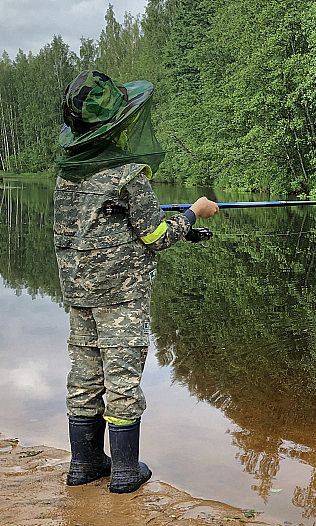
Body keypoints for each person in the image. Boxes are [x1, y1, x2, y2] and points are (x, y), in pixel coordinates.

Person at [53, 70, 218, 493]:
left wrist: (182, 227)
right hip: (121, 296)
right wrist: (194, 213)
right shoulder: (129, 175)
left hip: (78, 293)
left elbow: (104, 227)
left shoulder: (66, 176)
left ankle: (83, 465)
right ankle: (125, 472)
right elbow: (155, 237)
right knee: (122, 377)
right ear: (119, 125)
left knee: (85, 375)